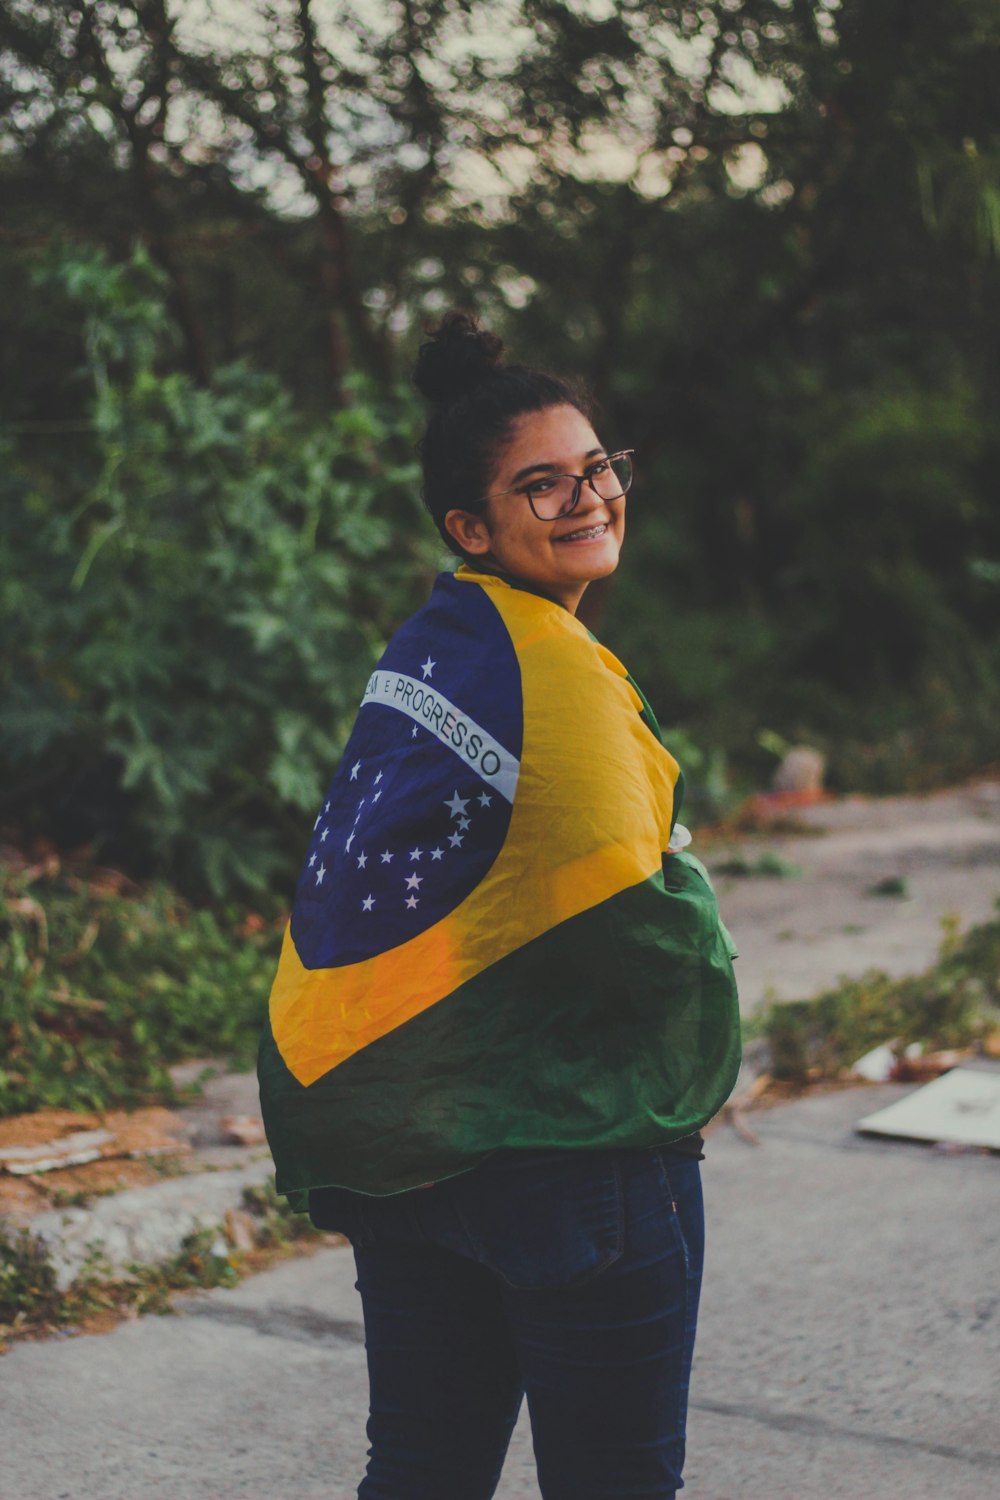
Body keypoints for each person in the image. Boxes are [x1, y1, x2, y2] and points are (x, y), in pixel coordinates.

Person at [257, 311, 742, 1500]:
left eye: (596, 469)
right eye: (543, 487)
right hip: (566, 1150)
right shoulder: (549, 664)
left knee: (420, 1475)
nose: (587, 499)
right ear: (469, 526)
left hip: (410, 1144)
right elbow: (640, 917)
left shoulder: (433, 647)